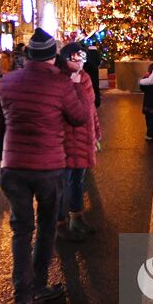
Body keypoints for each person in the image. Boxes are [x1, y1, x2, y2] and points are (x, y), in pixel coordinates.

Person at [0, 29, 89, 304]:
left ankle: (22, 299)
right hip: (48, 167)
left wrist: (3, 157)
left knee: (21, 231)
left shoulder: (6, 82)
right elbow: (79, 117)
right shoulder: (60, 84)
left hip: (13, 167)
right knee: (46, 228)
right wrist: (75, 87)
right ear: (52, 56)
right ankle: (38, 287)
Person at [57, 42, 99, 240]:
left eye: (82, 58)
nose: (81, 62)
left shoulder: (85, 77)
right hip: (66, 139)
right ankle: (58, 222)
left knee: (78, 181)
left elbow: (90, 109)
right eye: (76, 58)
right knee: (62, 181)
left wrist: (96, 132)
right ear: (66, 59)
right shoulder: (61, 79)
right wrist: (73, 85)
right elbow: (70, 109)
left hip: (83, 138)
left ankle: (76, 217)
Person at [139, 63, 153, 140]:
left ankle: (150, 133)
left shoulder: (146, 78)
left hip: (147, 102)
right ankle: (151, 132)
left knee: (149, 118)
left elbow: (142, 88)